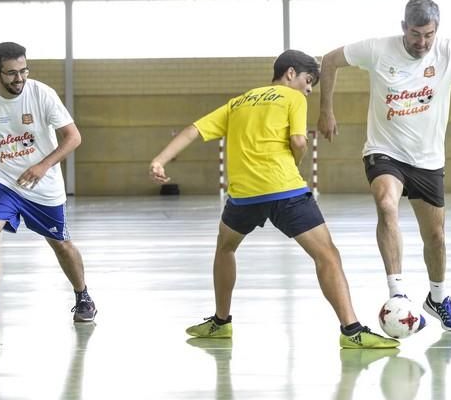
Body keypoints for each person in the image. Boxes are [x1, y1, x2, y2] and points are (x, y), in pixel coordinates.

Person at [149, 49, 398, 349]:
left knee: (225, 248)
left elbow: (193, 130)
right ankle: (352, 331)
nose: (308, 90)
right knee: (327, 256)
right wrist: (297, 159)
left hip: (242, 197)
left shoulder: (238, 102)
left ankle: (221, 322)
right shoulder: (293, 98)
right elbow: (298, 141)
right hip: (285, 192)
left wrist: (159, 160)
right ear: (290, 73)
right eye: (308, 81)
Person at [317, 0, 451, 332]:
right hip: (384, 151)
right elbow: (329, 60)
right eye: (416, 34)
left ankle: (437, 297)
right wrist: (326, 110)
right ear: (403, 28)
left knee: (435, 236)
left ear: (437, 31)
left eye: (429, 35)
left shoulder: (449, 52)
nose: (422, 42)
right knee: (386, 204)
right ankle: (398, 294)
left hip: (427, 160)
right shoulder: (378, 49)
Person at [0, 42, 96, 327]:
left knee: (60, 244)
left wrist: (42, 165)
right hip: (3, 178)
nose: (19, 78)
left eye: (23, 71)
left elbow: (73, 137)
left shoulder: (42, 94)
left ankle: (83, 297)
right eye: (11, 73)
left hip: (42, 184)